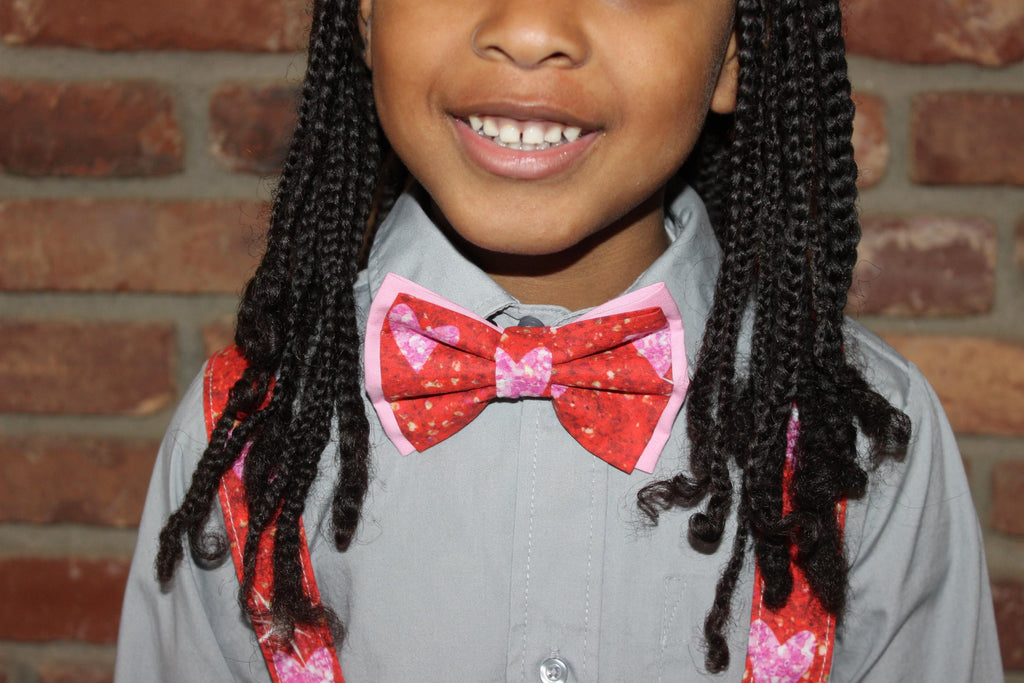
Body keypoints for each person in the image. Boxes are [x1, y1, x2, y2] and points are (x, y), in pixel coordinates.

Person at [114, 0, 1003, 680]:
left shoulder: (863, 448)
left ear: (737, 50)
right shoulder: (243, 439)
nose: (531, 30)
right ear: (367, 15)